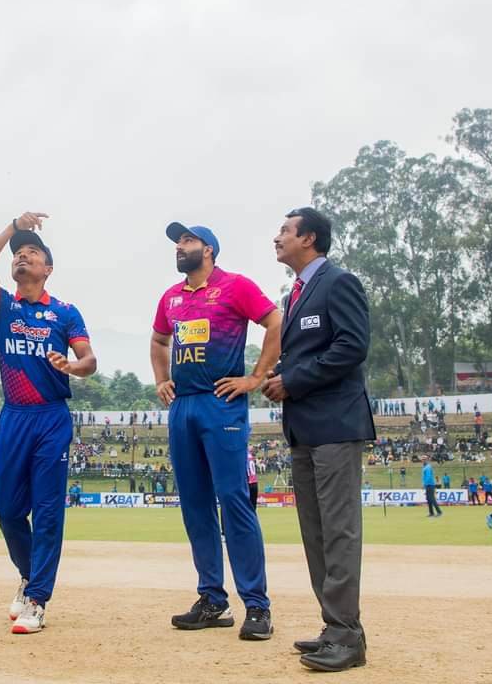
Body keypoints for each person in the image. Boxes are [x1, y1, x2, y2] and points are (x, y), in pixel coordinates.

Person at [151, 221, 281, 642]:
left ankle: (257, 606)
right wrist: (160, 379)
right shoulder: (170, 297)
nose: (179, 247)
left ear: (208, 250)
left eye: (187, 240)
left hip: (220, 402)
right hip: (183, 405)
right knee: (194, 506)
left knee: (234, 502)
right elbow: (158, 341)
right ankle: (212, 599)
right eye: (176, 242)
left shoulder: (235, 286)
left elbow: (275, 322)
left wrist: (256, 377)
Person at [0, 212, 97, 635]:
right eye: (18, 254)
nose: (22, 256)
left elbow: (89, 359)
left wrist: (73, 366)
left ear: (48, 268)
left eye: (32, 252)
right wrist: (11, 227)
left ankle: (38, 599)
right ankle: (27, 575)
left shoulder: (64, 312)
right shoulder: (1, 306)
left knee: (46, 512)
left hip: (50, 418)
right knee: (6, 510)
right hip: (14, 417)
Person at [262, 208, 374, 672]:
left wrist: (293, 379)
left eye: (285, 230)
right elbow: (310, 351)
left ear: (308, 238)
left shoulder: (339, 282)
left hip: (336, 426)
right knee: (316, 534)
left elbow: (352, 347)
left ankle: (348, 637)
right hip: (305, 429)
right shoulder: (296, 293)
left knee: (339, 533)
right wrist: (279, 374)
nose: (277, 237)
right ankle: (334, 626)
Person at [247, 446, 259, 511]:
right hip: (255, 482)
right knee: (253, 508)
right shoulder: (251, 457)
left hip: (248, 483)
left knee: (246, 508)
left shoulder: (243, 456)